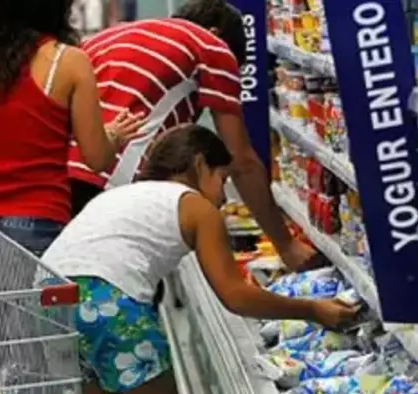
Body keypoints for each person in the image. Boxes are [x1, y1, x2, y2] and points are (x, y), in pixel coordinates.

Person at [42, 124, 359, 394]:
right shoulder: (194, 206)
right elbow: (235, 296)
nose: (224, 198)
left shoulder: (126, 194)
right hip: (104, 302)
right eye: (223, 178)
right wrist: (313, 309)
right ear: (199, 165)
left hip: (49, 296)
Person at [0, 0, 143, 385]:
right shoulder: (69, 63)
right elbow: (95, 157)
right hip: (37, 225)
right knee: (35, 363)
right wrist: (112, 138)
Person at [68, 0, 326, 273]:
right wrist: (286, 246)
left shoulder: (111, 36)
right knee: (113, 285)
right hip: (106, 187)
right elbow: (241, 161)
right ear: (216, 33)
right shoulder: (211, 46)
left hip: (56, 179)